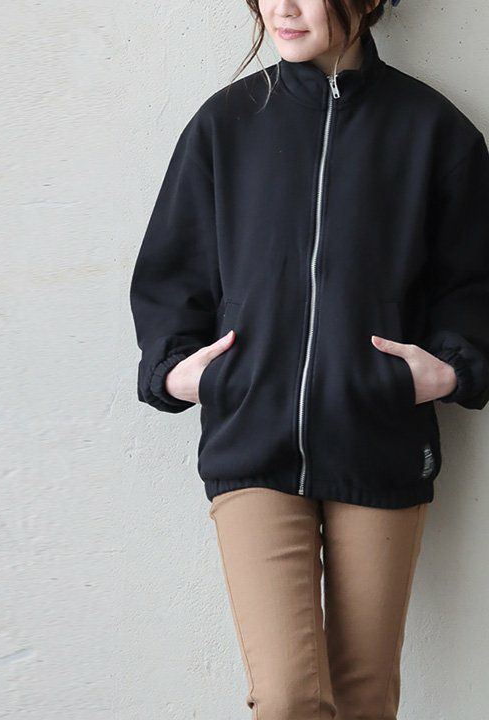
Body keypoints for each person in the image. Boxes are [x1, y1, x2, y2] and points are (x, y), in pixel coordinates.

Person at [128, 1, 489, 718]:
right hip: (251, 442)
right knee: (290, 696)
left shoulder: (432, 130)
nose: (281, 8)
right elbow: (172, 273)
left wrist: (450, 368)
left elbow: (474, 281)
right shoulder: (227, 124)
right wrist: (176, 368)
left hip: (379, 439)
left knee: (363, 695)